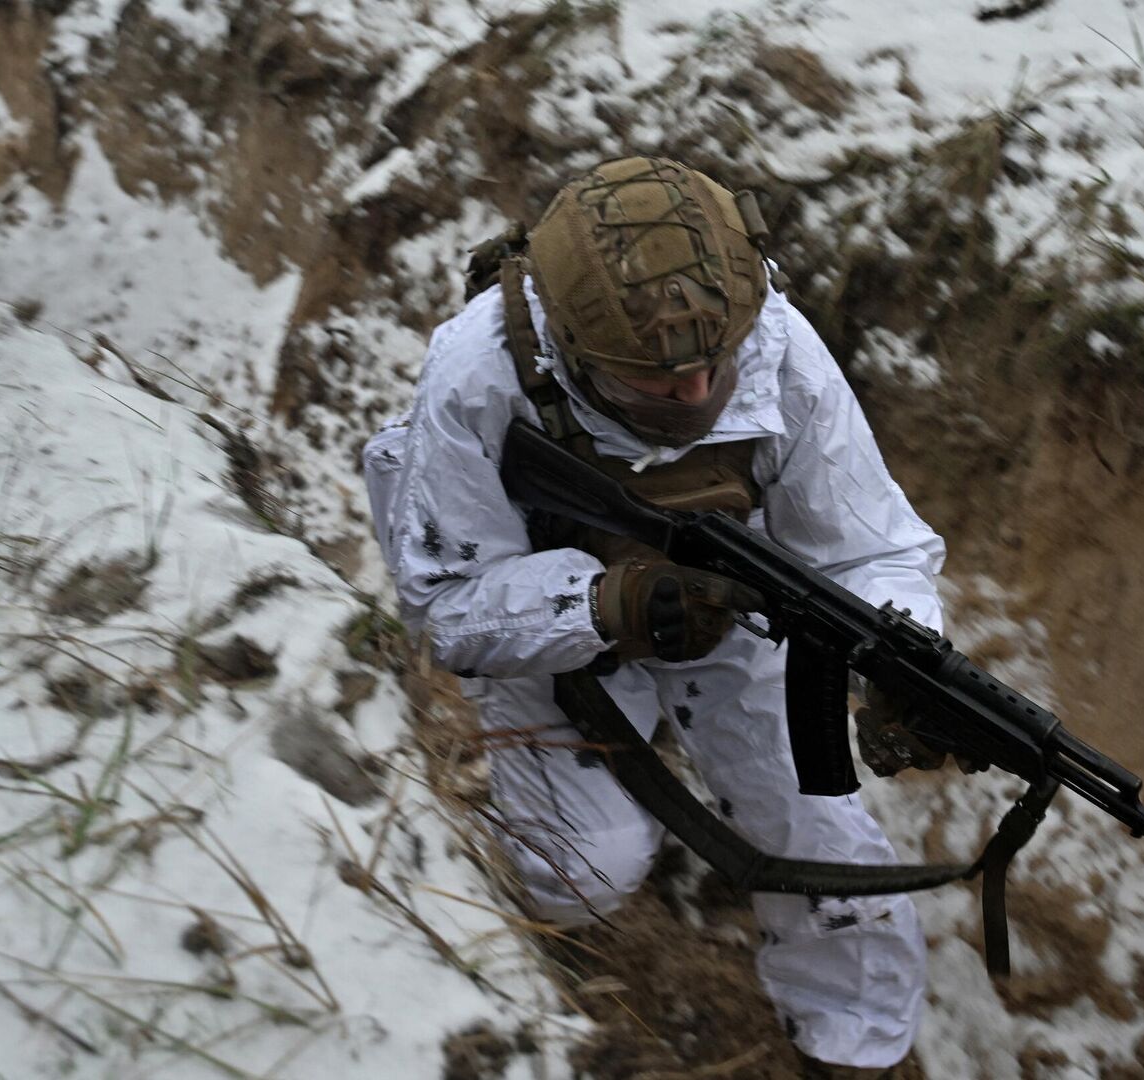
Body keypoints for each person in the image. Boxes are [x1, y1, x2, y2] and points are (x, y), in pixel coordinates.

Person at [364, 157, 945, 1080]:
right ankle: (550, 990)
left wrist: (909, 653)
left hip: (734, 606)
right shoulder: (477, 375)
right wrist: (605, 605)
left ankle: (855, 1051)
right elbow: (446, 604)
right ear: (573, 349)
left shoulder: (776, 348)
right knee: (586, 871)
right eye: (654, 383)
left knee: (826, 842)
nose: (693, 392)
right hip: (551, 630)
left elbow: (871, 547)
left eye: (711, 370)